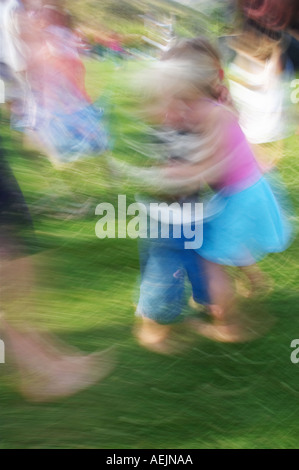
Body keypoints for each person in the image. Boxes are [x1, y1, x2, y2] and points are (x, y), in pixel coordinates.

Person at [118, 36, 293, 344]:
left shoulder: (211, 113)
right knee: (224, 243)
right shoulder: (215, 106)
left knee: (211, 259)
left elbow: (209, 166)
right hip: (245, 190)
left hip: (240, 196)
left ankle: (228, 326)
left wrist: (168, 176)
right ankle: (255, 280)